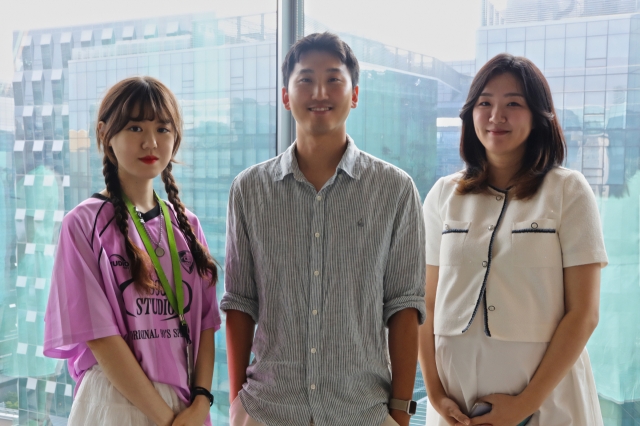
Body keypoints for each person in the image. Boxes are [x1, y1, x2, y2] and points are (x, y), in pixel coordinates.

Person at [221, 32, 426, 426]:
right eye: (305, 79)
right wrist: (236, 403)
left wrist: (400, 413)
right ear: (286, 96)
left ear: (354, 94)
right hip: (267, 410)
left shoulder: (395, 189)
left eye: (334, 79)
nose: (319, 91)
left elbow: (404, 305)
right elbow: (240, 303)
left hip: (361, 411)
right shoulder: (249, 189)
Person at [419, 53, 608, 426]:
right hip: (456, 412)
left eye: (513, 104)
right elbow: (424, 303)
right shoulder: (443, 194)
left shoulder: (568, 191)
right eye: (485, 102)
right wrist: (436, 395)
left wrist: (525, 404)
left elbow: (583, 314)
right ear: (470, 112)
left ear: (539, 116)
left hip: (547, 408)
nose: (496, 116)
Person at [43, 76, 221, 426]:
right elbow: (99, 336)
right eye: (135, 127)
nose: (151, 141)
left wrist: (201, 403)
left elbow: (205, 326)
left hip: (185, 406)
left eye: (163, 128)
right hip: (116, 400)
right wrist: (166, 419)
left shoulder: (188, 225)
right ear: (105, 134)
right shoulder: (82, 223)